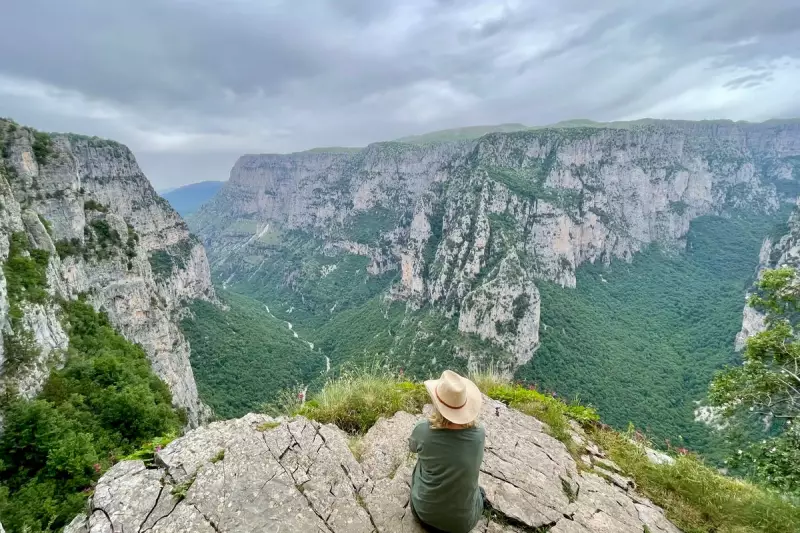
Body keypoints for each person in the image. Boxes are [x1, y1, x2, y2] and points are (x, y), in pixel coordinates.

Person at [408, 370, 486, 533]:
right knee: (479, 493)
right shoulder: (479, 435)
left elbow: (412, 448)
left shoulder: (423, 431)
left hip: (424, 515)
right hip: (462, 525)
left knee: (421, 462)